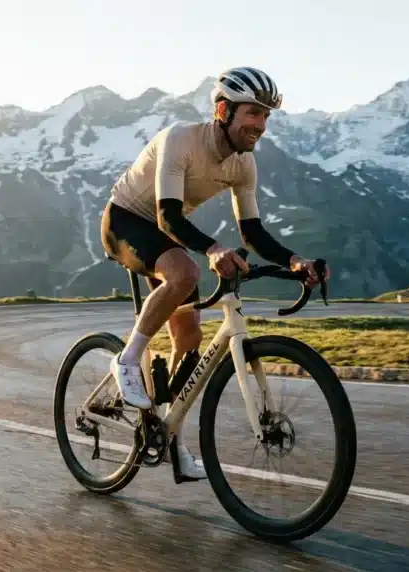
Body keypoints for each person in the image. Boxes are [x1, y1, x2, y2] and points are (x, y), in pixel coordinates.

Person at [99, 66, 329, 481]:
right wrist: (212, 249)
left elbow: (253, 232)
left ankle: (172, 441)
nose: (260, 125)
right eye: (252, 114)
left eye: (265, 116)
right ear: (223, 110)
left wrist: (295, 260)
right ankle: (127, 360)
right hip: (126, 222)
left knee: (189, 341)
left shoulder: (243, 166)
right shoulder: (181, 140)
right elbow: (168, 219)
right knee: (185, 272)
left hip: (163, 236)